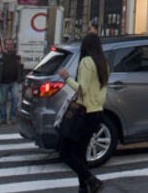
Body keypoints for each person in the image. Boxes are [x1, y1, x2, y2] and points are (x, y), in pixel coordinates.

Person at [57, 33, 109, 193]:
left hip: (83, 112)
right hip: (96, 112)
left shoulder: (87, 62)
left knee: (65, 152)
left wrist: (66, 78)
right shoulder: (104, 63)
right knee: (80, 152)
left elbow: (82, 89)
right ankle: (83, 187)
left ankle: (91, 180)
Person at [0, 39, 22, 125]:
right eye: (7, 44)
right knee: (3, 101)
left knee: (15, 99)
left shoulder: (18, 56)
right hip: (3, 82)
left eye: (11, 44)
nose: (9, 46)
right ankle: (3, 118)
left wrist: (20, 79)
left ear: (13, 45)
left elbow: (21, 68)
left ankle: (13, 117)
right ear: (5, 46)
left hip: (14, 81)